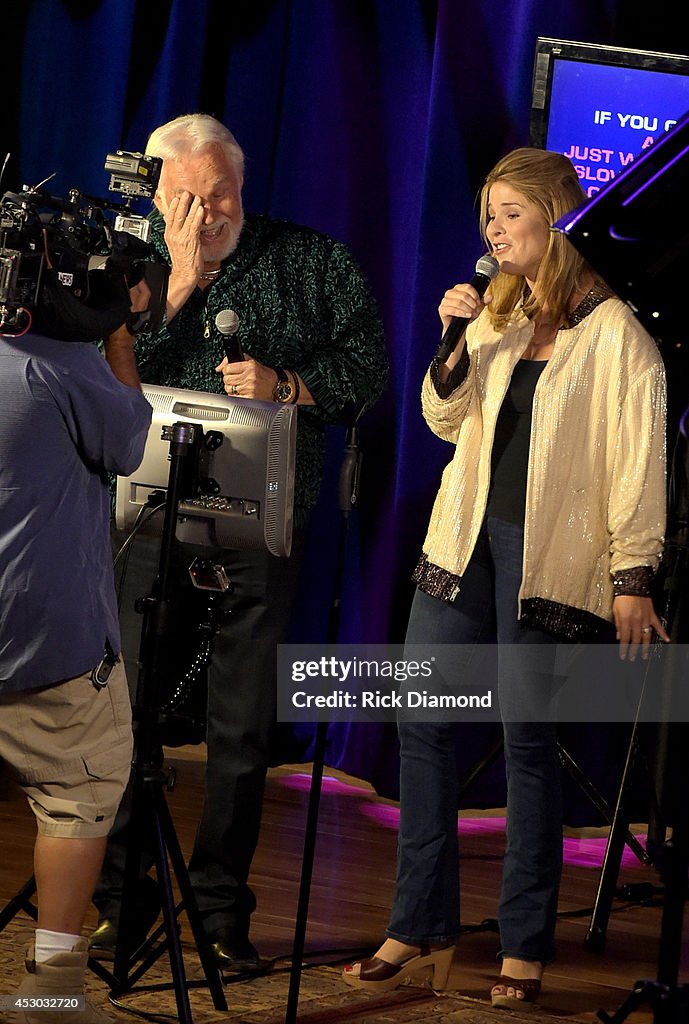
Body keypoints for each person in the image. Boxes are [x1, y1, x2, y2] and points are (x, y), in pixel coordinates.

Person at [342, 148, 668, 1008]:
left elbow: (639, 467)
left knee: (527, 745)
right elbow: (440, 418)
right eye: (488, 216)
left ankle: (522, 945)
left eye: (509, 214)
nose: (492, 230)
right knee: (420, 720)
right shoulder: (495, 315)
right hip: (461, 545)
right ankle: (418, 925)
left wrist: (632, 577)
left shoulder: (617, 338)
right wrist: (452, 339)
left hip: (548, 560)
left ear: (555, 219)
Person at [90, 113, 388, 972]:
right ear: (156, 195)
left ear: (242, 187)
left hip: (260, 529)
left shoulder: (312, 261)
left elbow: (367, 371)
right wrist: (177, 282)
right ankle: (118, 897)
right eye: (185, 199)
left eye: (220, 195)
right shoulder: (128, 260)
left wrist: (287, 384)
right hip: (144, 522)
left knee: (242, 728)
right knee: (128, 717)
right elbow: (91, 367)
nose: (206, 213)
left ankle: (220, 908)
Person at [0, 279, 153, 1021]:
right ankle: (53, 986)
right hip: (45, 640)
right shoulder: (58, 364)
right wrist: (117, 334)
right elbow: (128, 441)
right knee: (76, 798)